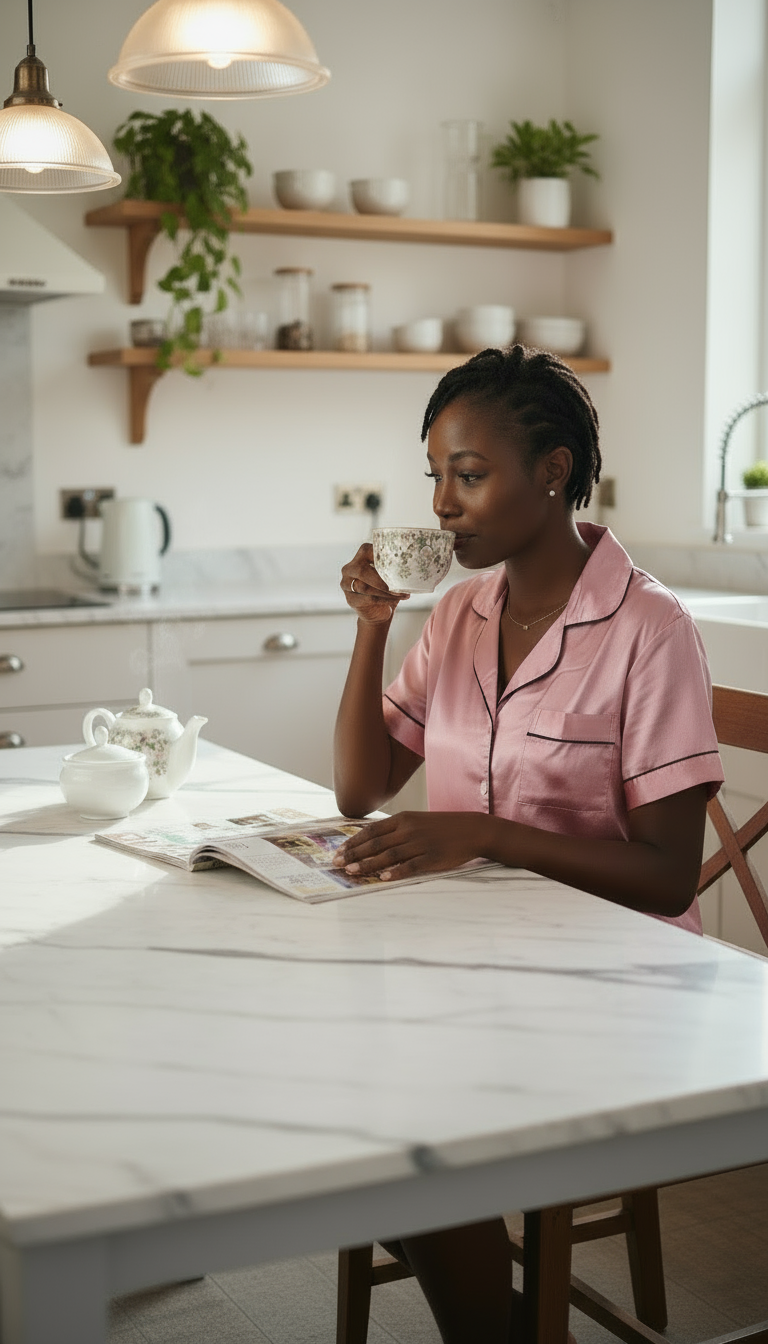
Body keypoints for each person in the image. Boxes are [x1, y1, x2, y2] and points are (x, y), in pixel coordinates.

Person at [331, 344, 724, 1344]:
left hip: (623, 989)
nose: (445, 504)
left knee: (395, 1096)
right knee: (341, 1065)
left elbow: (670, 876)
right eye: (436, 478)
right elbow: (360, 788)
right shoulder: (462, 610)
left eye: (469, 474)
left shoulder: (653, 631)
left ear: (552, 471)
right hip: (482, 962)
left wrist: (485, 833)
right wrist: (374, 626)